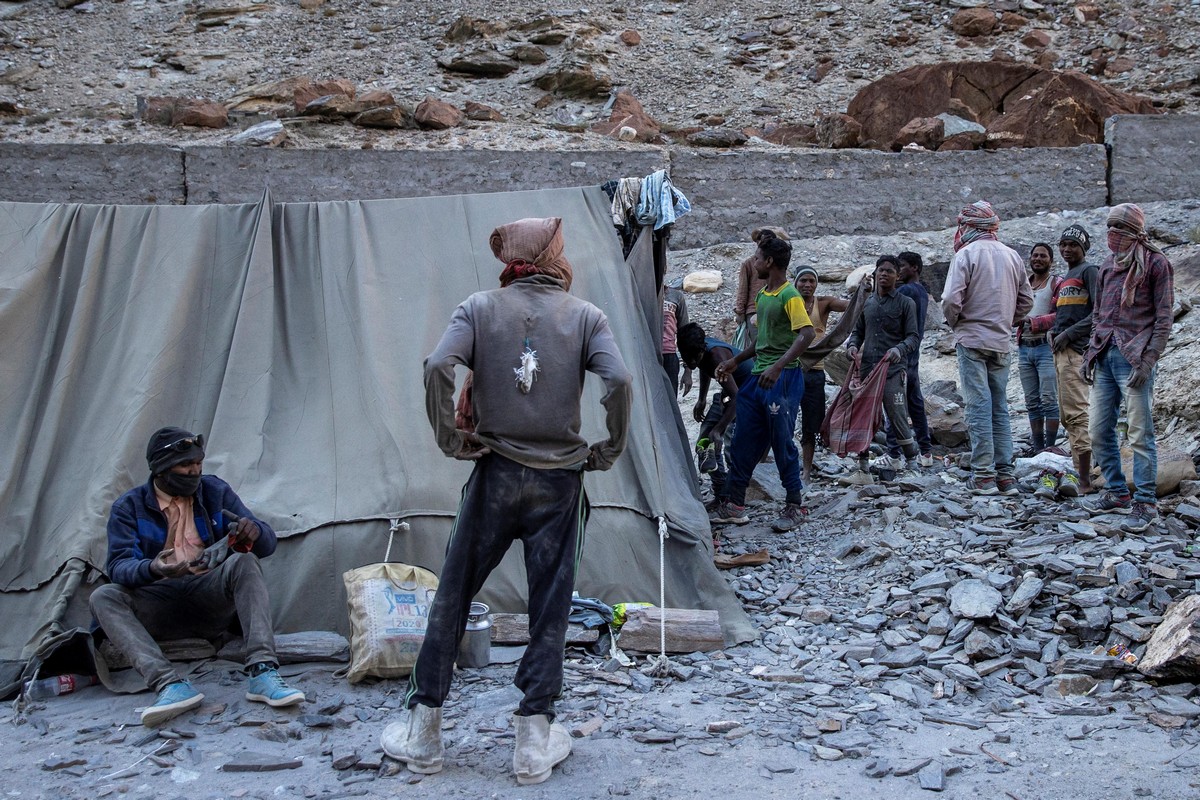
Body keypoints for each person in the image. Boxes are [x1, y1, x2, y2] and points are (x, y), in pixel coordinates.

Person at [383, 217, 632, 785]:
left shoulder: (477, 308)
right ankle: (532, 744)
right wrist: (608, 449)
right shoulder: (586, 316)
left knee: (454, 590)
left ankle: (424, 734)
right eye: (562, 250)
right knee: (550, 603)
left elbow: (437, 366)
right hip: (560, 481)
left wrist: (451, 439)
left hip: (495, 474)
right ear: (550, 256)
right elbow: (619, 382)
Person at [90, 427, 304, 727]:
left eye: (198, 465)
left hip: (208, 596)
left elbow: (267, 542)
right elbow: (119, 566)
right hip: (157, 600)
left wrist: (253, 531)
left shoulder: (214, 491)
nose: (194, 472)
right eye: (185, 466)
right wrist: (154, 569)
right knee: (104, 596)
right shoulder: (129, 507)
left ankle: (263, 672)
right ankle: (168, 685)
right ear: (161, 469)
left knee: (245, 561)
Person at [709, 235, 814, 532]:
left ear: (769, 262)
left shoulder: (789, 295)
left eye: (757, 258)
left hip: (783, 379)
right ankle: (735, 505)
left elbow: (806, 334)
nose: (753, 263)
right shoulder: (763, 295)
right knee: (743, 440)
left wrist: (779, 367)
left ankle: (795, 505)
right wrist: (735, 361)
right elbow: (761, 341)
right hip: (758, 378)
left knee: (781, 441)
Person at [1081, 204, 1174, 533]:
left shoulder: (1156, 263)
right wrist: (1090, 355)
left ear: (1134, 232)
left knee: (1139, 432)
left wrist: (1148, 361)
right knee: (1098, 431)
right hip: (1105, 355)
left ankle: (1146, 501)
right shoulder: (1107, 265)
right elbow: (1098, 316)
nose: (1112, 236)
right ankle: (1118, 492)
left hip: (1135, 358)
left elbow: (1164, 320)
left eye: (1119, 230)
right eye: (1109, 229)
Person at [942, 200, 1033, 496]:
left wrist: (957, 323)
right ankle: (1005, 475)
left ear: (969, 226)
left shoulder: (966, 254)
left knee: (979, 407)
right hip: (1001, 342)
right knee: (1000, 407)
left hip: (972, 339)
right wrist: (1008, 321)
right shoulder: (1012, 256)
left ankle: (983, 475)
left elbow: (951, 300)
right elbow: (1026, 301)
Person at [1029, 224, 1098, 496]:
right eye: (1064, 244)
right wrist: (1055, 333)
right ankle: (1080, 470)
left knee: (1076, 414)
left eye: (1073, 245)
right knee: (1068, 416)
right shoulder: (1069, 276)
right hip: (1060, 351)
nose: (1067, 249)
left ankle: (1085, 481)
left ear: (1083, 248)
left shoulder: (1089, 271)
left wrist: (1068, 334)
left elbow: (1098, 313)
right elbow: (1066, 314)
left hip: (1075, 352)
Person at [845, 256, 921, 476]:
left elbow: (913, 337)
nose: (884, 274)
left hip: (892, 370)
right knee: (864, 416)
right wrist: (852, 346)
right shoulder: (867, 303)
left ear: (897, 277)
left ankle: (912, 462)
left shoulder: (906, 303)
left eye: (890, 271)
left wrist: (899, 349)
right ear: (875, 273)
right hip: (868, 369)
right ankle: (862, 466)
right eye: (881, 270)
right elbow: (858, 332)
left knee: (896, 413)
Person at [678, 321, 753, 506]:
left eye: (695, 358)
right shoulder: (701, 352)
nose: (692, 363)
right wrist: (702, 398)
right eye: (688, 360)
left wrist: (720, 428)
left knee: (730, 445)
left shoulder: (717, 356)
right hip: (730, 393)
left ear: (702, 349)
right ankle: (720, 492)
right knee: (704, 441)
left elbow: (737, 398)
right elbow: (705, 368)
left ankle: (734, 500)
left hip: (748, 395)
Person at [793, 266, 850, 484]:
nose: (807, 285)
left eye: (811, 281)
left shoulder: (823, 303)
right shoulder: (789, 302)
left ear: (816, 284)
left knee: (811, 424)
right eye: (803, 281)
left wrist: (866, 291)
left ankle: (806, 470)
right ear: (795, 283)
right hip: (790, 370)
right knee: (782, 419)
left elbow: (852, 307)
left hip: (815, 372)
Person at [884, 251, 935, 467]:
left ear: (914, 268)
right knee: (915, 403)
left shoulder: (905, 290)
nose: (898, 271)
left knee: (894, 404)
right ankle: (926, 452)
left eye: (902, 266)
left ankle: (894, 453)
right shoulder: (921, 291)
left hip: (900, 355)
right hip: (914, 354)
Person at [1015, 242, 1062, 455]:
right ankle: (1037, 447)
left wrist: (1032, 322)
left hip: (1045, 346)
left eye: (1043, 256)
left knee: (1049, 398)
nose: (1038, 259)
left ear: (1051, 261)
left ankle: (1050, 447)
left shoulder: (1056, 284)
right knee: (1032, 400)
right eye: (1035, 255)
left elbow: (1062, 315)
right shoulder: (1024, 284)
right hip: (1024, 347)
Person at [733, 227, 789, 349]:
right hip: (754, 311)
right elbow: (742, 289)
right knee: (758, 347)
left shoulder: (777, 264)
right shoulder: (749, 264)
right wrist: (740, 312)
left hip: (774, 308)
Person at [661, 284, 692, 397]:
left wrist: (688, 370)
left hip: (669, 356)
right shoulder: (642, 295)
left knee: (670, 399)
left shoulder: (676, 296)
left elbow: (685, 334)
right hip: (647, 356)